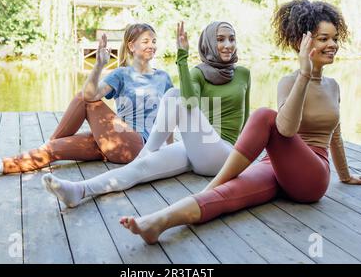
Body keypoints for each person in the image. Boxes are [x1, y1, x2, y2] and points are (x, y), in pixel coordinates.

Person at [119, 0, 361, 245]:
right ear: (303, 42)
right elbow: (286, 129)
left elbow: (332, 135)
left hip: (312, 176)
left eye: (335, 38)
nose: (333, 44)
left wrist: (346, 175)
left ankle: (210, 185)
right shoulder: (288, 82)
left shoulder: (333, 87)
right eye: (324, 39)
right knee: (227, 195)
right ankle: (158, 222)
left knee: (263, 115)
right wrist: (303, 76)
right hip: (275, 164)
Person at [42, 21, 252, 208]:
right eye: (220, 39)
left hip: (224, 153)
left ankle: (147, 150)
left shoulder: (243, 73)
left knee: (172, 94)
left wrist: (243, 158)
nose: (228, 45)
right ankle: (79, 190)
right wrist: (182, 57)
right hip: (198, 149)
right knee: (141, 168)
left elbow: (245, 120)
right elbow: (190, 103)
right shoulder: (197, 73)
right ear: (208, 44)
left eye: (232, 39)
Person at [0, 23, 173, 180]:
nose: (151, 45)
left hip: (137, 145)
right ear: (131, 46)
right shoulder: (121, 74)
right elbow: (92, 94)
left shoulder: (163, 77)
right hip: (113, 141)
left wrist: (171, 152)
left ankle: (47, 142)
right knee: (52, 149)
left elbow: (170, 115)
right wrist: (98, 66)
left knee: (83, 98)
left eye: (154, 41)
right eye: (145, 41)